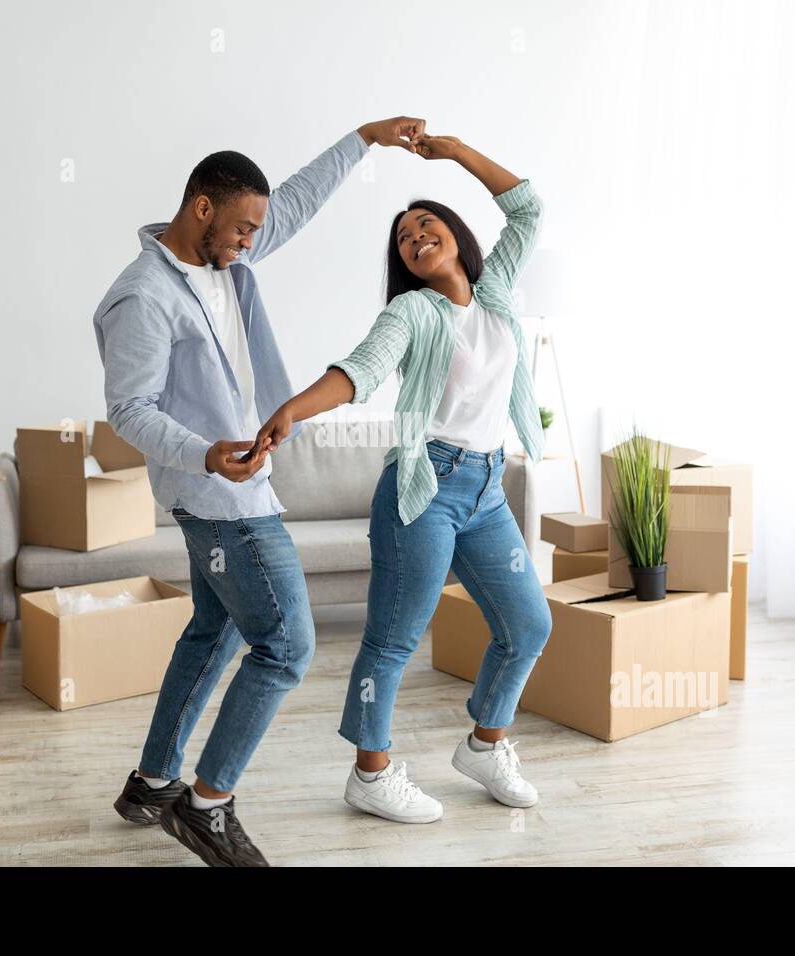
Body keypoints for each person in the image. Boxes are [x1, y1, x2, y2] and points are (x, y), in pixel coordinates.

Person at [95, 117, 427, 864]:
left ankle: (152, 784)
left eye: (256, 230)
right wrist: (208, 456)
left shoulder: (226, 260)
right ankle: (207, 806)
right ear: (202, 209)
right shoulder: (143, 296)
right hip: (222, 502)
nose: (253, 241)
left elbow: (297, 204)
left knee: (212, 634)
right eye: (243, 227)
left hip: (233, 486)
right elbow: (127, 410)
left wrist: (363, 139)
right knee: (286, 644)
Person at [252, 134, 553, 825]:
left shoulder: (497, 293)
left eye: (426, 224)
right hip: (425, 491)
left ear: (455, 234)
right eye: (403, 238)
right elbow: (357, 371)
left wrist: (453, 152)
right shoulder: (411, 313)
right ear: (404, 264)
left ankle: (485, 743)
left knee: (528, 626)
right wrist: (290, 413)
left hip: (486, 489)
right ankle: (370, 771)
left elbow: (529, 210)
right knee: (392, 638)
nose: (415, 236)